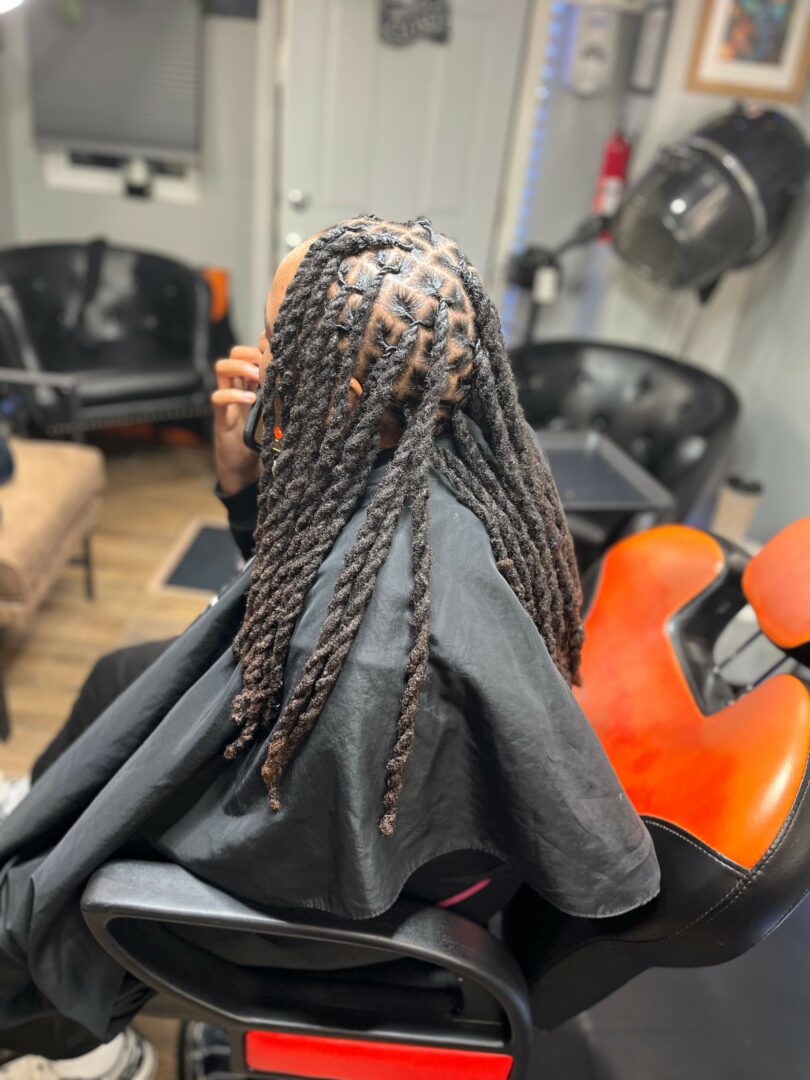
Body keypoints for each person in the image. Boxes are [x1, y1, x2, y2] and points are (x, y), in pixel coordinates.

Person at [0, 217, 660, 1069]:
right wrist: (245, 484)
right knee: (114, 675)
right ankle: (41, 799)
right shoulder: (474, 472)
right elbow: (310, 584)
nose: (255, 359)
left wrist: (89, 832)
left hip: (336, 909)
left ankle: (69, 1038)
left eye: (277, 339)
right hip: (385, 797)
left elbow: (264, 832)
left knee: (49, 877)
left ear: (342, 391)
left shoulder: (370, 651)